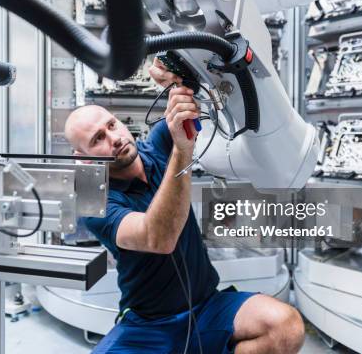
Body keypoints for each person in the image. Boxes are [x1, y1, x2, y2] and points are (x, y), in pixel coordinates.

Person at [64, 59, 305, 354]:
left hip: (207, 306)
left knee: (286, 326)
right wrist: (182, 149)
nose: (114, 139)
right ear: (83, 157)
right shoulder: (93, 202)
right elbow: (158, 237)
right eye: (98, 139)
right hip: (148, 324)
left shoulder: (159, 143)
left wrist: (174, 75)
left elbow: (201, 89)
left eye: (111, 125)